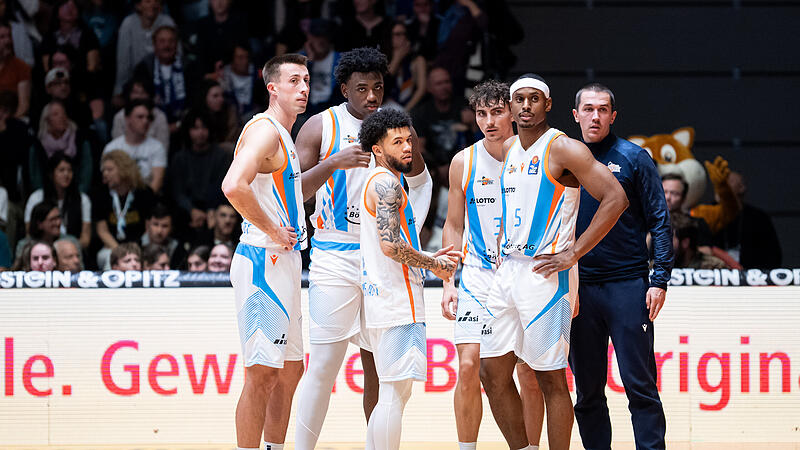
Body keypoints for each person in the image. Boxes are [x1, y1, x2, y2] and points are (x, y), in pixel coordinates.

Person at [292, 46, 432, 450]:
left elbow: (423, 184)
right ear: (343, 89)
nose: (371, 97)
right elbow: (293, 192)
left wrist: (409, 233)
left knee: (381, 369)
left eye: (378, 88)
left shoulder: (398, 128)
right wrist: (331, 164)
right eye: (362, 89)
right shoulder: (320, 126)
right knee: (322, 365)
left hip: (383, 258)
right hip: (333, 256)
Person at [479, 75, 628, 450]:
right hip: (507, 270)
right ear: (511, 107)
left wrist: (574, 252)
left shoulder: (564, 148)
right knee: (491, 371)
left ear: (547, 105)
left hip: (547, 275)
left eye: (534, 99)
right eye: (519, 100)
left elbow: (615, 198)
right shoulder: (508, 147)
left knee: (550, 379)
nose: (525, 105)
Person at [440, 80, 544, 450]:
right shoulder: (463, 161)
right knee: (468, 366)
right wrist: (448, 281)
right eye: (482, 113)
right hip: (478, 277)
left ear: (514, 113)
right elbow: (453, 224)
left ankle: (529, 446)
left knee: (528, 373)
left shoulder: (535, 156)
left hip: (524, 274)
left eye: (497, 112)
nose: (489, 121)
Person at [569, 82, 673, 450]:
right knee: (587, 392)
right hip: (578, 289)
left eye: (602, 109)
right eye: (588, 109)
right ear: (576, 115)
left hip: (628, 286)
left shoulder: (634, 157)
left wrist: (659, 279)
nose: (595, 115)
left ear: (613, 116)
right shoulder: (561, 158)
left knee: (640, 387)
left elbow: (660, 221)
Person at [220, 53, 309, 450]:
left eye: (306, 80)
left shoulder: (284, 133)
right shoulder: (265, 131)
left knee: (290, 370)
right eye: (293, 81)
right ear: (272, 88)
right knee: (261, 374)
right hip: (262, 259)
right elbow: (232, 185)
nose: (303, 88)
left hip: (284, 261)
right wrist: (273, 228)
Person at [358, 107, 459, 449]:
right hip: (396, 299)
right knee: (394, 393)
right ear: (377, 148)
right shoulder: (386, 183)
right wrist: (433, 264)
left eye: (408, 140)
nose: (407, 148)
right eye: (397, 142)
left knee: (392, 392)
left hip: (383, 297)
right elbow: (390, 245)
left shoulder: (377, 180)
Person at [92, 150, 156, 269]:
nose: (105, 174)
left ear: (124, 169)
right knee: (110, 258)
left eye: (110, 170)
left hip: (140, 246)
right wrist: (120, 252)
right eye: (104, 170)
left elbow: (149, 228)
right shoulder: (100, 194)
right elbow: (102, 231)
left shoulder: (144, 193)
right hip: (112, 247)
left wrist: (135, 252)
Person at [715, 171, 782, 269]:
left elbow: (773, 255)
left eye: (729, 181)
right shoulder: (707, 215)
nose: (723, 184)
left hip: (752, 278)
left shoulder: (758, 218)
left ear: (741, 188)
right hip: (715, 277)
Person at [25, 154, 92, 249]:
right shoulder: (36, 197)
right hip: (42, 248)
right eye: (61, 170)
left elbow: (85, 239)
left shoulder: (83, 199)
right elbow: (29, 232)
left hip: (72, 250)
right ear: (51, 173)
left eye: (70, 170)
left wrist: (66, 249)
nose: (66, 174)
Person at [114, 0, 176, 99]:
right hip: (136, 82)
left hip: (166, 80)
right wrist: (119, 91)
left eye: (156, 1)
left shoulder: (167, 21)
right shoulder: (128, 24)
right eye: (148, 1)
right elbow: (123, 62)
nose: (153, 4)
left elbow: (177, 55)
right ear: (138, 6)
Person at [103, 99, 167, 193]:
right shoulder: (112, 148)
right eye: (140, 117)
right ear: (127, 118)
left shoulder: (157, 147)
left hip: (147, 200)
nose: (145, 121)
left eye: (148, 117)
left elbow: (156, 183)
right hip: (117, 199)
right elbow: (107, 180)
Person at [112, 80, 170, 152]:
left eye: (143, 92)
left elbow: (163, 150)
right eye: (135, 92)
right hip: (124, 159)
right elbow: (117, 149)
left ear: (149, 95)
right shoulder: (120, 117)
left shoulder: (160, 116)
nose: (139, 96)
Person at [661, 172, 713, 253]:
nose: (668, 197)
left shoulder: (696, 223)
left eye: (674, 193)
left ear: (683, 198)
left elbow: (707, 251)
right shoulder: (646, 222)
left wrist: (680, 249)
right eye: (664, 192)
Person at [140, 202, 186, 269]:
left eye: (165, 226)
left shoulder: (179, 250)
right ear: (147, 225)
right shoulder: (136, 246)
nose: (159, 231)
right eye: (155, 224)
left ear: (171, 229)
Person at [0, 19, 30, 118]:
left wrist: (7, 125)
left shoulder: (21, 67)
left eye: (9, 36)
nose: (8, 41)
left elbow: (23, 106)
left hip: (11, 120)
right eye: (2, 37)